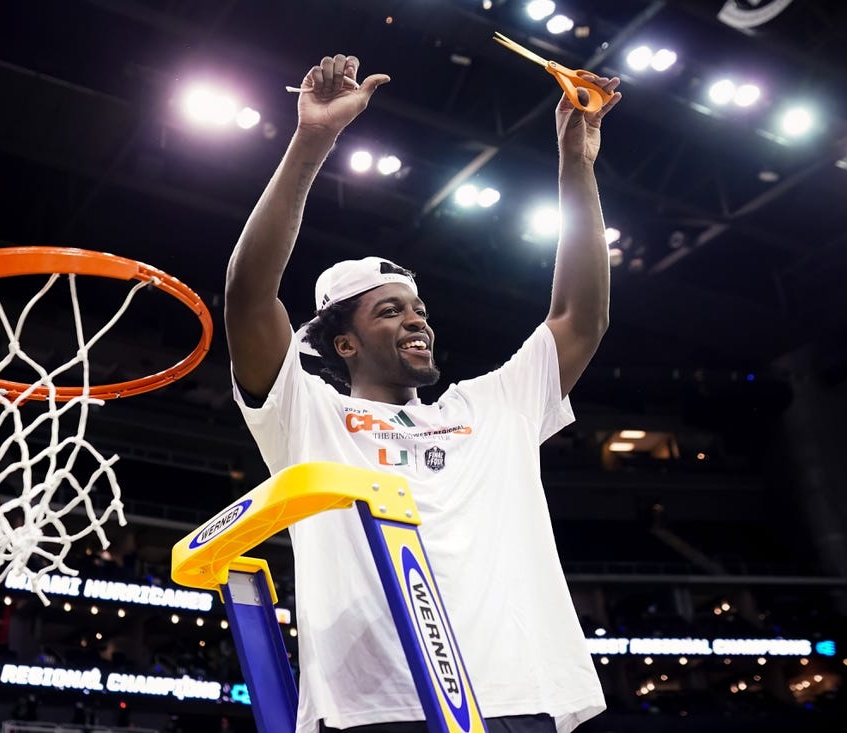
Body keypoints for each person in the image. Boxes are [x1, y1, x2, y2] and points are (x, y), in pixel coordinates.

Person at [225, 53, 621, 733]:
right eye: (389, 311)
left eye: (419, 309)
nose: (416, 320)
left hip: (516, 699)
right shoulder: (310, 416)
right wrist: (311, 142)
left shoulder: (491, 406)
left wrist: (576, 163)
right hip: (378, 711)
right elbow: (247, 297)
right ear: (343, 342)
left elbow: (580, 317)